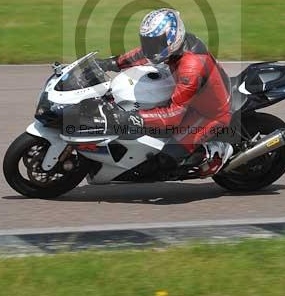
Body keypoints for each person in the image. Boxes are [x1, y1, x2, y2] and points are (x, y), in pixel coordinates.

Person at [97, 9, 234, 177]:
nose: (150, 47)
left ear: (172, 38)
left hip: (210, 113)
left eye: (154, 42)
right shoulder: (173, 47)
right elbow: (144, 53)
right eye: (148, 42)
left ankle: (213, 153)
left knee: (167, 158)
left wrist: (132, 117)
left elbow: (173, 115)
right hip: (193, 97)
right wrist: (111, 63)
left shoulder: (191, 66)